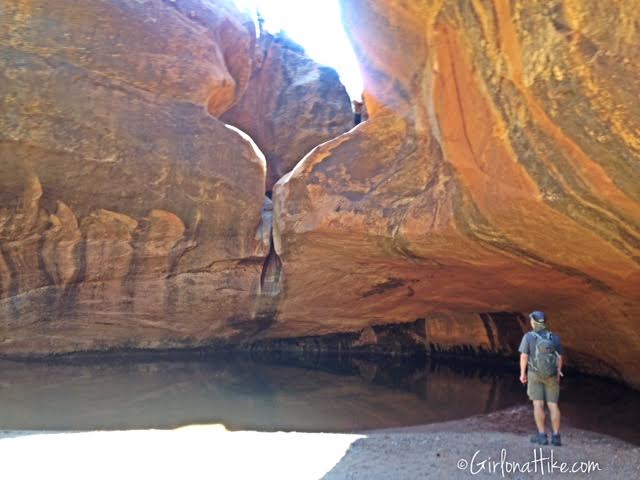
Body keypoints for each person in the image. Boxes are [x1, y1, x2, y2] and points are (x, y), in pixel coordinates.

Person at [518, 310, 564, 446]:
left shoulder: (528, 337)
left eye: (531, 320)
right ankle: (556, 437)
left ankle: (542, 436)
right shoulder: (553, 337)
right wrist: (558, 373)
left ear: (533, 322)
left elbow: (524, 356)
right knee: (553, 405)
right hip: (551, 375)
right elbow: (560, 357)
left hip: (535, 374)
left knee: (538, 404)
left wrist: (522, 374)